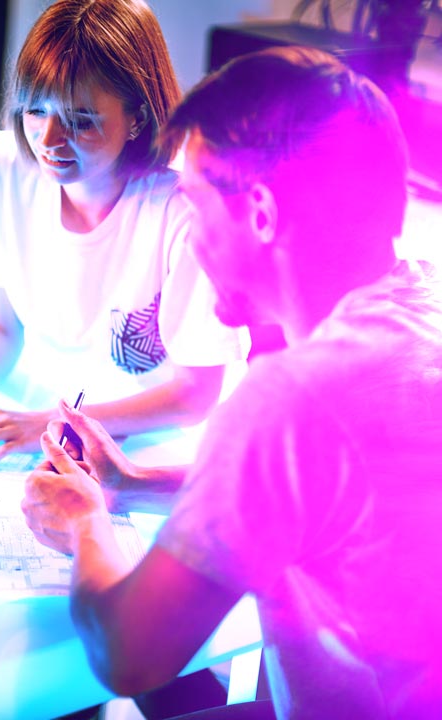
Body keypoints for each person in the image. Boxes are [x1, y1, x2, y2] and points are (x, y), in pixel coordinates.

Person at [22, 45, 442, 719]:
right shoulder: (418, 315)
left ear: (262, 214)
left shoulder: (292, 396)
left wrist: (83, 523)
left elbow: (128, 654)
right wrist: (132, 484)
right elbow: (315, 492)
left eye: (192, 203)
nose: (188, 238)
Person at [0, 0, 247, 470]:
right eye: (36, 111)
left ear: (136, 117)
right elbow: (1, 329)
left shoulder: (185, 206)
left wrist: (54, 424)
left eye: (81, 121)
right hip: (60, 412)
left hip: (165, 449)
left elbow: (195, 394)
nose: (49, 141)